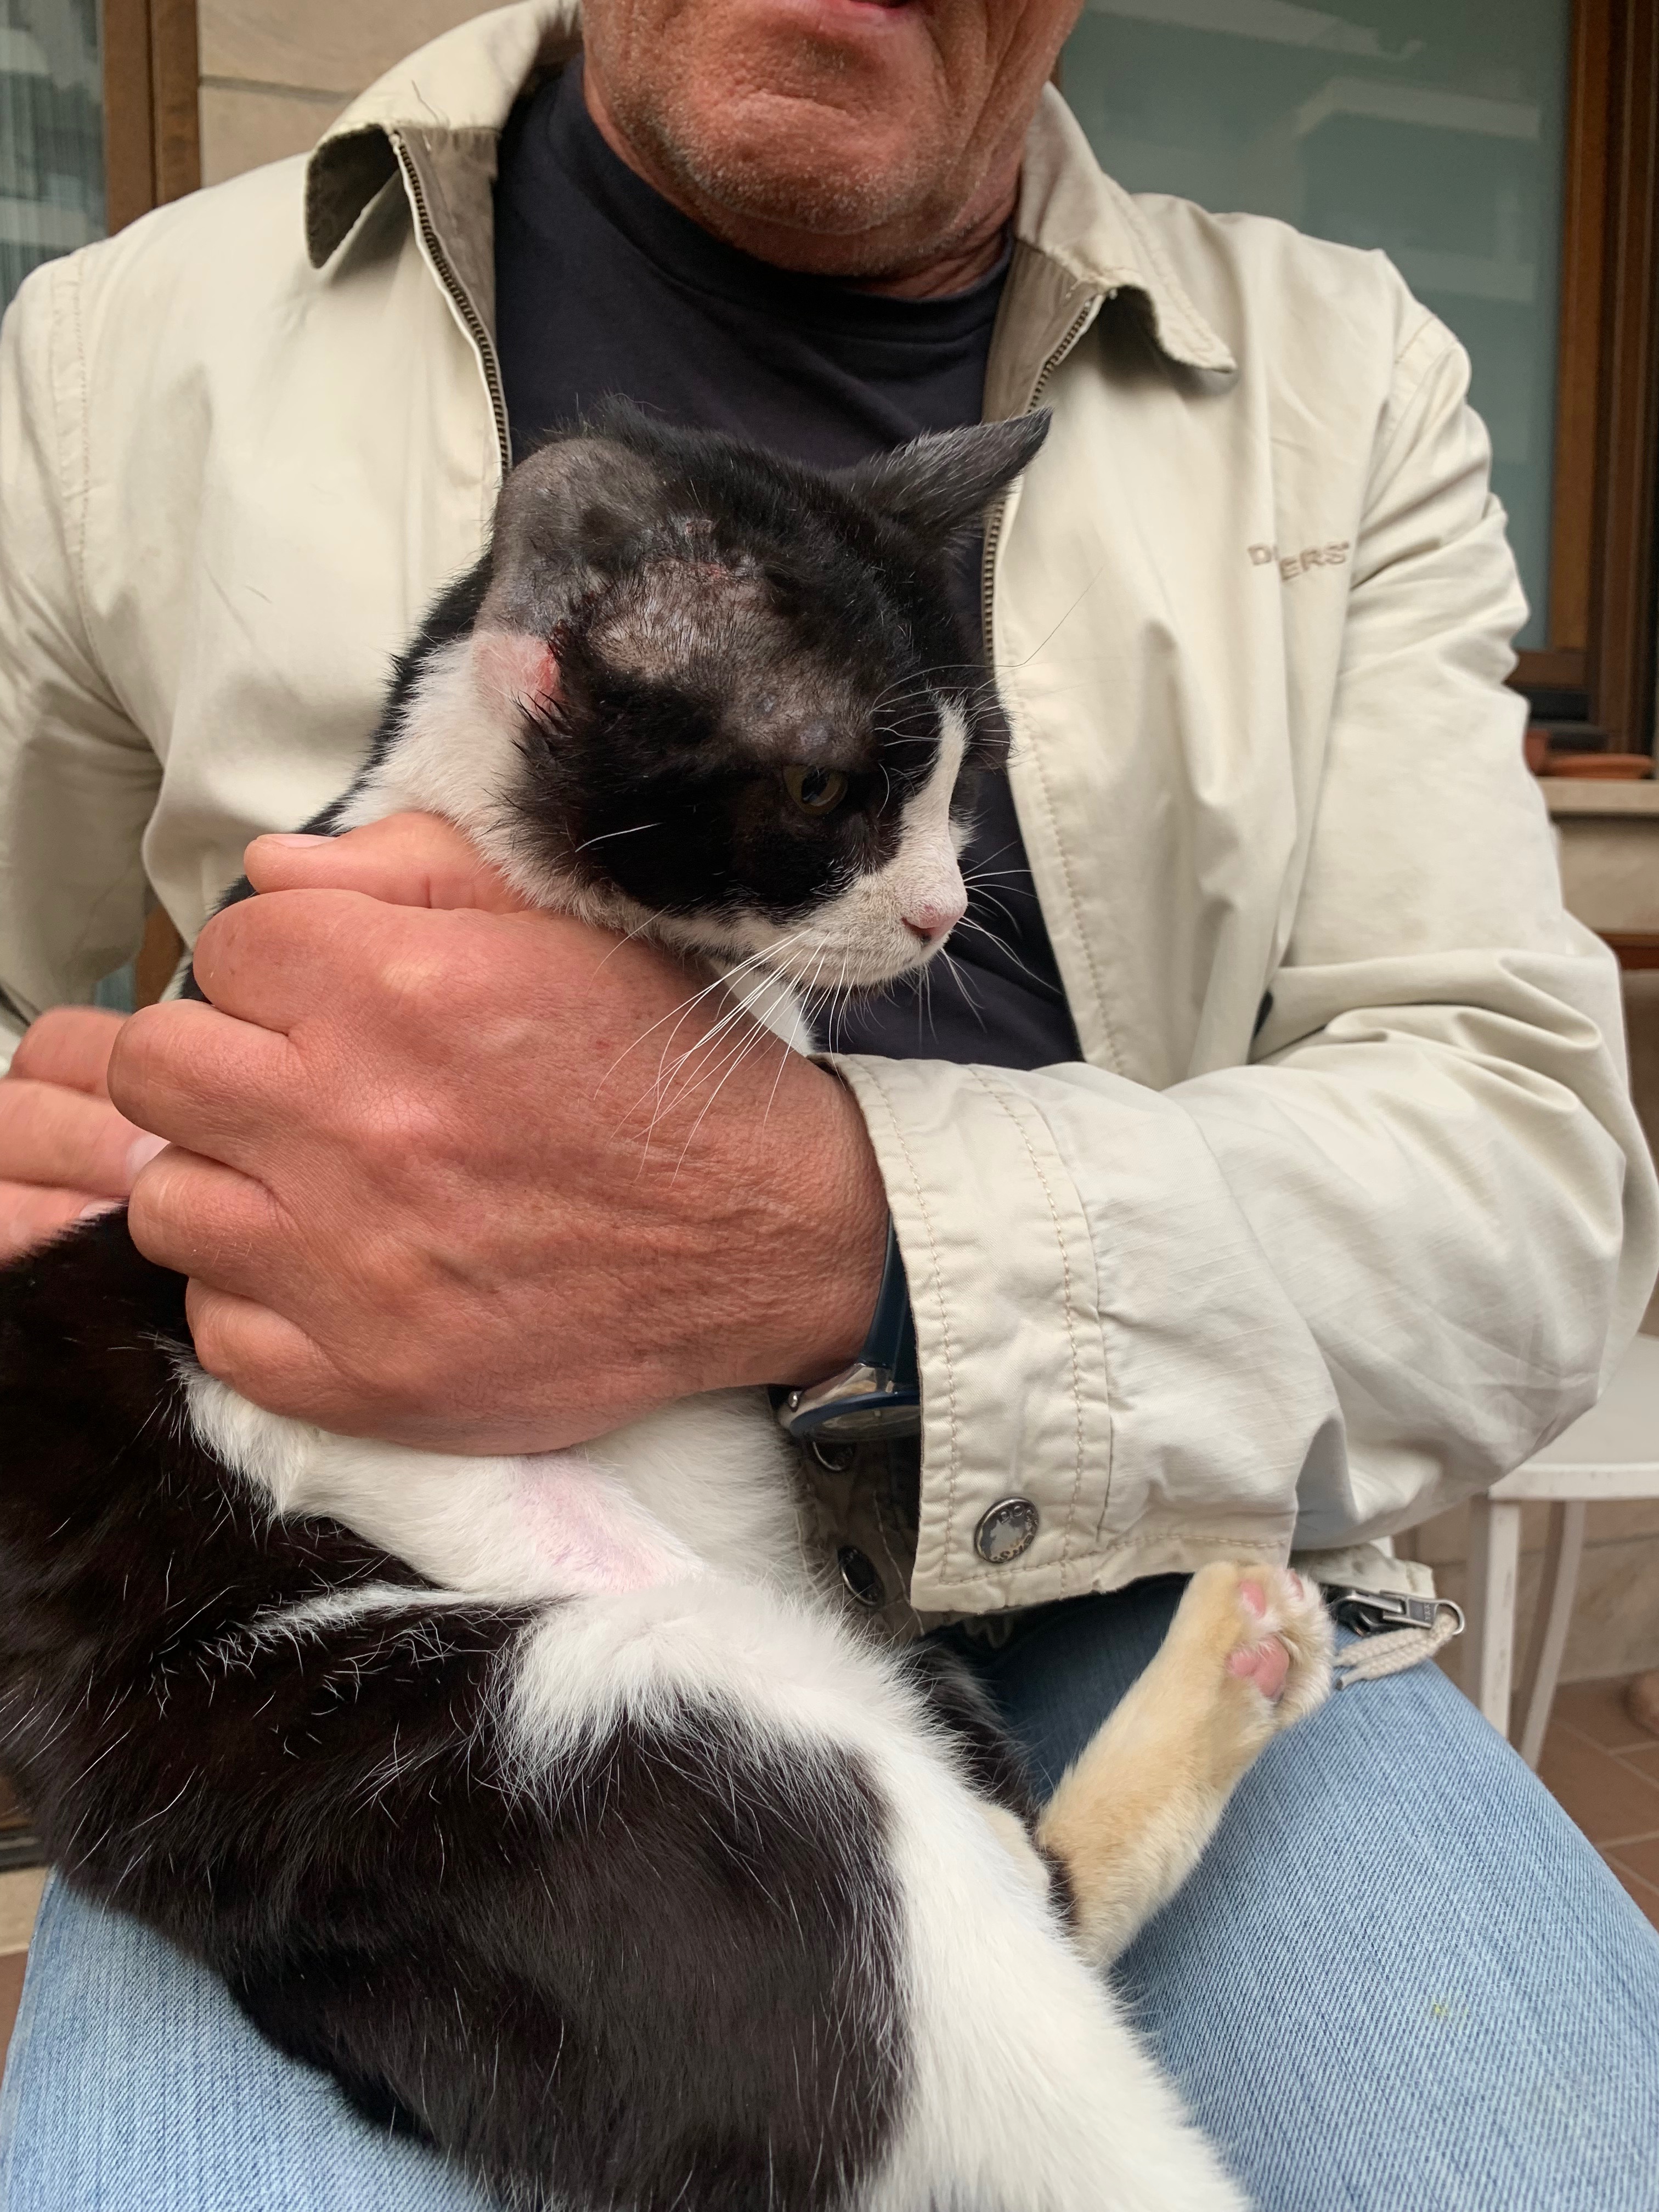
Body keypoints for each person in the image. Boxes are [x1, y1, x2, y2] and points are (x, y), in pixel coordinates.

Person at [1, 2, 1656, 2206]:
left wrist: (839, 1230)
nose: (939, 909)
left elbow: (1532, 1179)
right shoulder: (115, 349)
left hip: (1144, 1540)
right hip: (351, 1602)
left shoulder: (1344, 379)